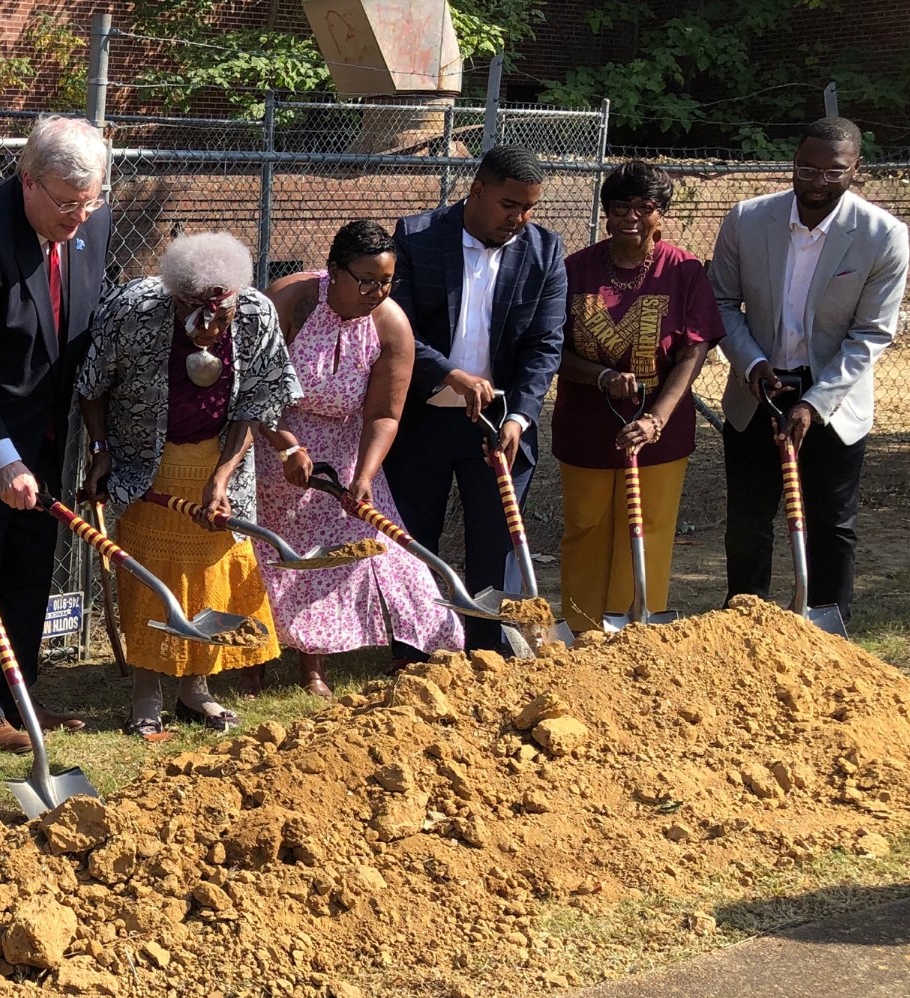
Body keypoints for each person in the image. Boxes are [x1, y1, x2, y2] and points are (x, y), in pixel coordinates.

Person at [78, 232, 296, 738]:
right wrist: (100, 450)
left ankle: (195, 692)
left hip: (218, 464)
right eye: (195, 316)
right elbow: (92, 387)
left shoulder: (257, 315)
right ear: (174, 298)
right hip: (145, 467)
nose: (208, 329)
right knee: (152, 581)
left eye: (220, 317)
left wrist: (222, 475)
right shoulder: (133, 310)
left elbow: (258, 403)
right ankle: (145, 696)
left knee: (210, 579)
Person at [0, 114, 112, 751]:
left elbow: (85, 331)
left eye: (89, 200)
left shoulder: (92, 218)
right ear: (27, 182)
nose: (79, 217)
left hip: (54, 426)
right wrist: (1, 457)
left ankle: (20, 691)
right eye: (66, 204)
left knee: (33, 562)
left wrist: (96, 439)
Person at [710, 117, 908, 625]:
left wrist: (815, 402)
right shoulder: (747, 219)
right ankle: (743, 623)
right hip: (758, 388)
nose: (817, 182)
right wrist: (751, 362)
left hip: (833, 400)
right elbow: (723, 301)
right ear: (793, 162)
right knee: (749, 521)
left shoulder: (883, 237)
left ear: (856, 170)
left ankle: (828, 630)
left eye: (833, 173)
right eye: (806, 168)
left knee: (832, 524)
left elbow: (871, 334)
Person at [256, 220, 463, 694]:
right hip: (273, 438)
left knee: (355, 554)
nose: (377, 291)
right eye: (366, 280)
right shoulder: (289, 302)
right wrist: (287, 446)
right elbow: (250, 391)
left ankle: (314, 665)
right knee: (270, 553)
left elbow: (385, 415)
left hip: (344, 450)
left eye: (387, 281)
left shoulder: (390, 324)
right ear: (333, 271)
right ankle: (255, 659)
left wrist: (365, 474)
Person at [386, 144, 568, 657]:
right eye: (510, 204)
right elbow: (396, 330)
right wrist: (450, 374)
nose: (520, 217)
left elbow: (544, 346)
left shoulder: (545, 251)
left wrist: (521, 417)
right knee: (416, 537)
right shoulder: (417, 238)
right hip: (424, 418)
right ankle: (416, 649)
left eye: (529, 206)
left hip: (498, 423)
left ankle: (488, 648)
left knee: (495, 542)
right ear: (477, 190)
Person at [551, 163, 725, 634]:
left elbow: (694, 348)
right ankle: (583, 633)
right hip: (587, 425)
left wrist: (656, 419)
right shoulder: (575, 270)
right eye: (620, 206)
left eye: (644, 206)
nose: (631, 216)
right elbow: (552, 351)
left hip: (659, 434)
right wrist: (602, 375)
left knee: (645, 530)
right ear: (606, 213)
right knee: (586, 529)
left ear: (661, 214)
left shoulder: (684, 270)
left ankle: (634, 634)